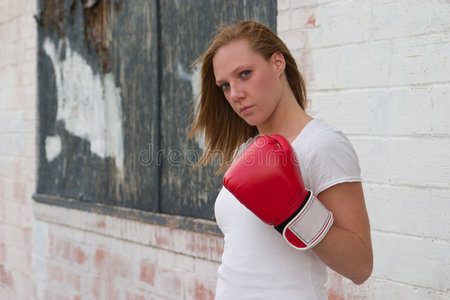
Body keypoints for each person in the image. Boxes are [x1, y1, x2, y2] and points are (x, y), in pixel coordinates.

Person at [188, 21, 373, 299]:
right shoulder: (245, 151)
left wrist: (295, 212)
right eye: (225, 85)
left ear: (277, 63)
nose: (235, 94)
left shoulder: (322, 144)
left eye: (245, 74)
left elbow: (360, 266)